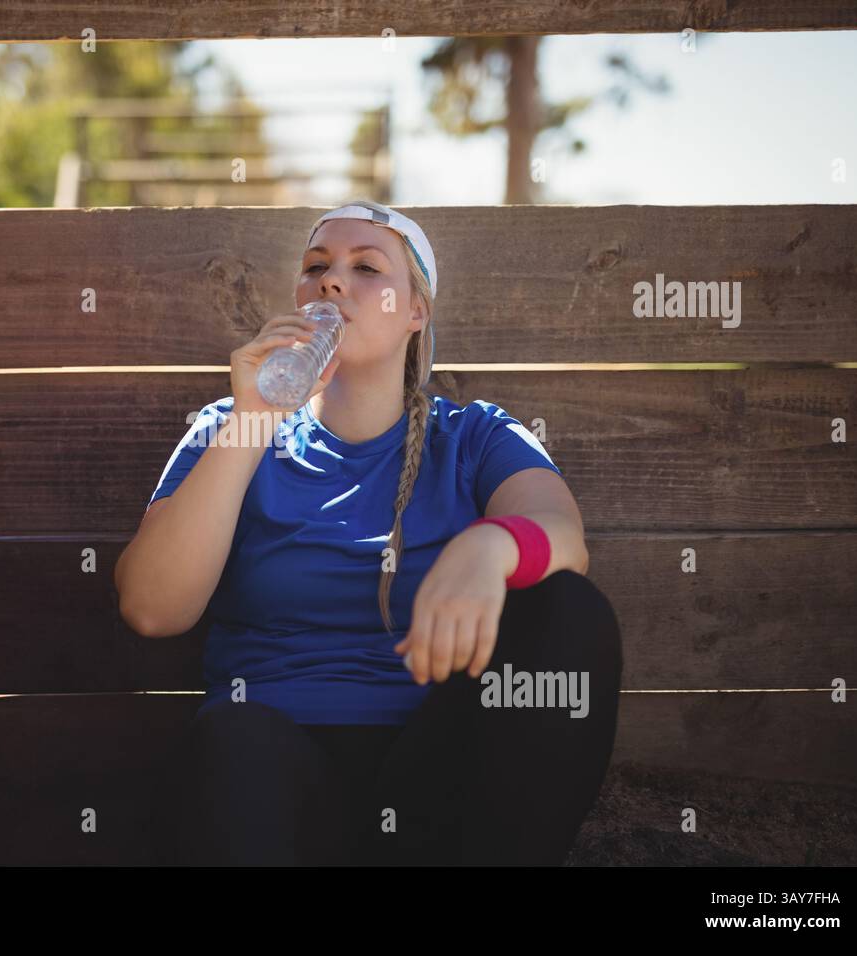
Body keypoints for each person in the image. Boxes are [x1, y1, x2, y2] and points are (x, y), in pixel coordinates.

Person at [114, 200, 623, 866]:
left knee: (568, 610)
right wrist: (255, 418)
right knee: (233, 743)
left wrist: (490, 545)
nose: (331, 281)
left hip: (437, 776)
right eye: (316, 267)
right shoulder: (229, 425)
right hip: (274, 777)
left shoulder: (473, 435)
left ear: (416, 311)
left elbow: (563, 535)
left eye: (366, 268)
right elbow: (152, 608)